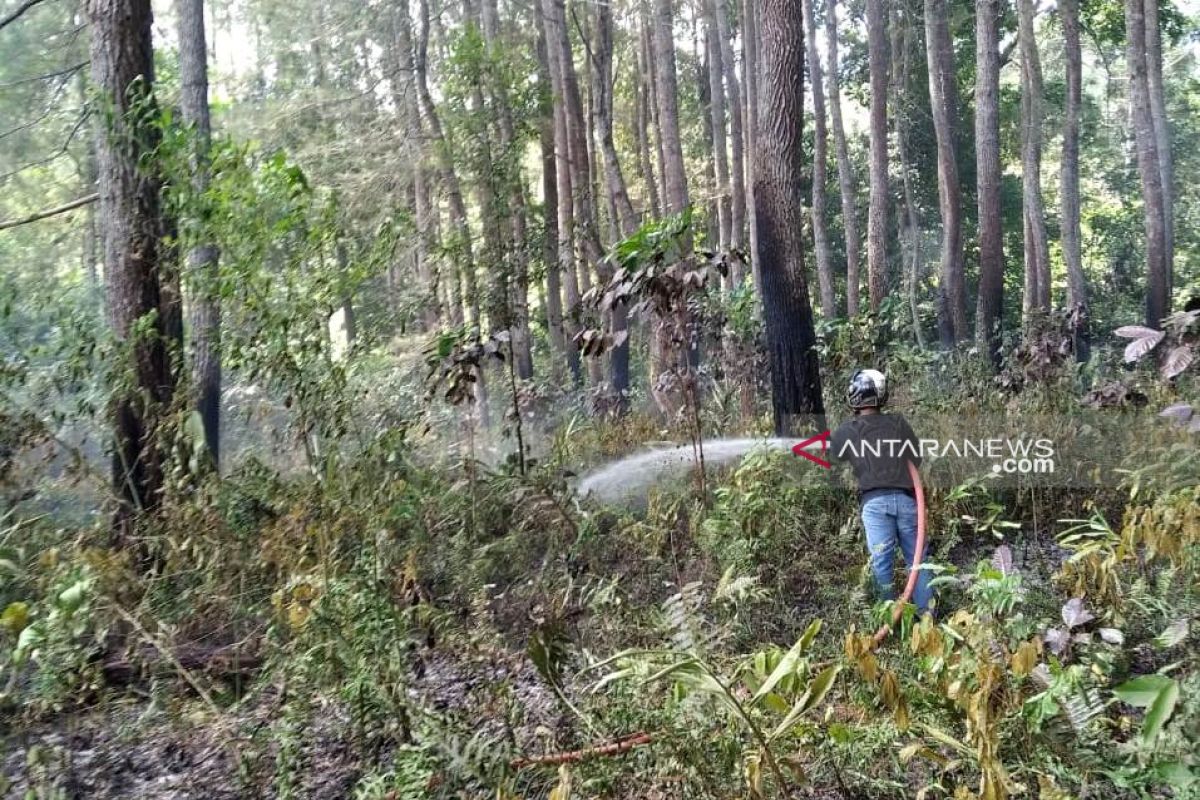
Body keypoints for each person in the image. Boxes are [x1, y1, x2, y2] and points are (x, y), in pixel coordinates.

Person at [830, 369, 933, 614]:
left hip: (875, 506)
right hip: (908, 502)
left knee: (881, 564)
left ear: (854, 396)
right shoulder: (898, 423)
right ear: (881, 395)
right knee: (917, 561)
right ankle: (927, 616)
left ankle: (886, 617)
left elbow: (834, 456)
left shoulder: (847, 430)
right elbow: (915, 459)